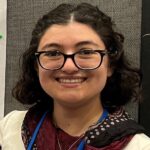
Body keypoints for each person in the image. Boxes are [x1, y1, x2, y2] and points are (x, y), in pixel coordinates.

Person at [0, 2, 150, 150]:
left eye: (86, 52)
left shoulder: (139, 146)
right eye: (53, 53)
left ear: (110, 65)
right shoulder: (8, 128)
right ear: (36, 66)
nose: (69, 67)